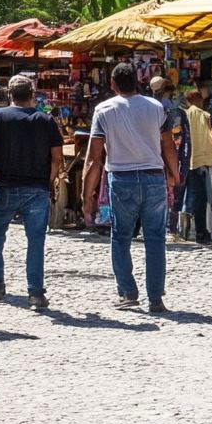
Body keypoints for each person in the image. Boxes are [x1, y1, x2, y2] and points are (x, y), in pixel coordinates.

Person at [83, 62, 180, 312]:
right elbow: (169, 146)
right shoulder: (156, 107)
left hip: (121, 178)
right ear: (137, 80)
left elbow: (94, 157)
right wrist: (174, 174)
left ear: (113, 84)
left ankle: (128, 293)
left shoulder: (103, 110)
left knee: (121, 237)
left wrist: (87, 194)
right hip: (153, 177)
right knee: (155, 239)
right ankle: (156, 297)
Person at [0, 74, 65, 311]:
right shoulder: (45, 120)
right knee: (35, 241)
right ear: (32, 95)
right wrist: (50, 180)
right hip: (36, 189)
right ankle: (35, 293)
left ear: (9, 95)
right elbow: (57, 157)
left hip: (5, 185)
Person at [150, 76, 190, 239]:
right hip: (171, 161)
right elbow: (181, 143)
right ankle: (170, 229)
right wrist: (181, 167)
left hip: (154, 162)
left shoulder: (149, 111)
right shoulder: (176, 113)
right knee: (173, 196)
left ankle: (161, 228)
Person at [183, 90, 212, 243]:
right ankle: (200, 231)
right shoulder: (205, 115)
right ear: (197, 99)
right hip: (202, 160)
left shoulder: (184, 115)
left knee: (186, 197)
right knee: (200, 197)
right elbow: (211, 137)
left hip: (186, 160)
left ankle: (185, 230)